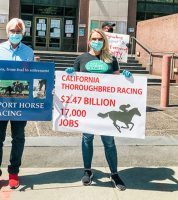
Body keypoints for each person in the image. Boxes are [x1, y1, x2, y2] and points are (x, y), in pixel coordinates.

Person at [65, 29, 132, 191]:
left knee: (108, 141)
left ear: (104, 41)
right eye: (94, 39)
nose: (97, 41)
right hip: (87, 108)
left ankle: (114, 174)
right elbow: (74, 85)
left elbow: (118, 83)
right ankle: (88, 171)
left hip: (107, 107)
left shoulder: (111, 59)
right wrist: (69, 76)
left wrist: (126, 77)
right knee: (87, 139)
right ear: (89, 40)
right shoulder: (80, 59)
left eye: (100, 39)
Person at [0, 18, 34, 194]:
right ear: (7, 32)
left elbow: (34, 75)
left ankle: (14, 172)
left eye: (18, 31)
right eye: (12, 31)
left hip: (20, 102)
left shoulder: (28, 52)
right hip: (0, 100)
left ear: (23, 33)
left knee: (18, 138)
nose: (15, 34)